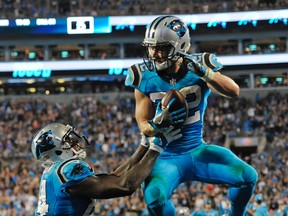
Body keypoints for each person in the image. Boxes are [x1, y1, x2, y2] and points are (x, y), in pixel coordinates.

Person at [125, 15, 258, 216]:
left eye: (162, 47)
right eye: (152, 47)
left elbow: (234, 91)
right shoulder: (143, 75)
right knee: (154, 198)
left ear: (181, 46)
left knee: (248, 176)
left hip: (196, 149)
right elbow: (143, 125)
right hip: (164, 157)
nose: (155, 54)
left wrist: (206, 73)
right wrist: (157, 125)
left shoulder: (200, 65)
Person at [31, 122, 181, 215]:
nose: (75, 143)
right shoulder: (67, 170)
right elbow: (124, 186)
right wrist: (157, 148)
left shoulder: (54, 172)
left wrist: (144, 146)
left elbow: (113, 177)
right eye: (68, 141)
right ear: (56, 150)